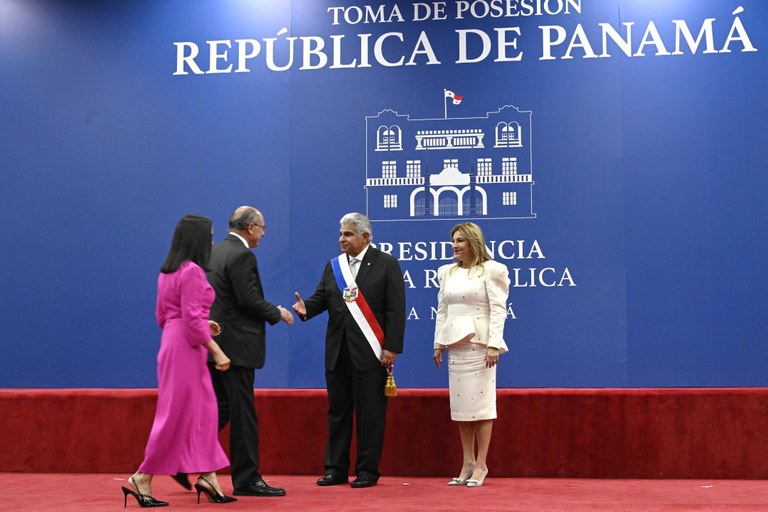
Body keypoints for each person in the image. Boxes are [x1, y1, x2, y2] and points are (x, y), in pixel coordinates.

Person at [122, 214, 236, 508]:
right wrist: (217, 350)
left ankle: (208, 476)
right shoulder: (193, 272)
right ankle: (142, 477)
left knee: (204, 413)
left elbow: (165, 317)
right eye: (209, 236)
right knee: (176, 416)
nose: (211, 241)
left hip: (175, 344)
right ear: (197, 239)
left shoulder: (167, 272)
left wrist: (198, 324)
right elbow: (192, 319)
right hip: (187, 349)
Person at [292, 212, 406, 488]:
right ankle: (335, 469)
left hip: (370, 353)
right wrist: (307, 308)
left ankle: (367, 471)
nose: (341, 239)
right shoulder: (334, 266)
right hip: (337, 351)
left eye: (348, 234)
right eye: (341, 234)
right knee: (338, 412)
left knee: (370, 414)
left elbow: (396, 309)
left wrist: (391, 347)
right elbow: (323, 297)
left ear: (365, 237)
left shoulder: (386, 264)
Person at [203, 206, 294, 497]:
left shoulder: (214, 252)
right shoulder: (243, 255)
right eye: (263, 227)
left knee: (222, 407)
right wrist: (276, 312)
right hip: (237, 348)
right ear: (251, 227)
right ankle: (246, 478)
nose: (264, 233)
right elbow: (248, 299)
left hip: (215, 343)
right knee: (242, 414)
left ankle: (184, 458)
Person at [432, 222, 510, 488]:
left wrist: (493, 344)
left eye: (461, 241)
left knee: (482, 406)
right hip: (456, 345)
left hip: (481, 345)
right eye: (453, 240)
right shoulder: (446, 272)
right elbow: (442, 310)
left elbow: (499, 309)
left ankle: (481, 464)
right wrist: (438, 343)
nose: (455, 245)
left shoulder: (491, 270)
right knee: (462, 408)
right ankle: (466, 462)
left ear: (474, 243)